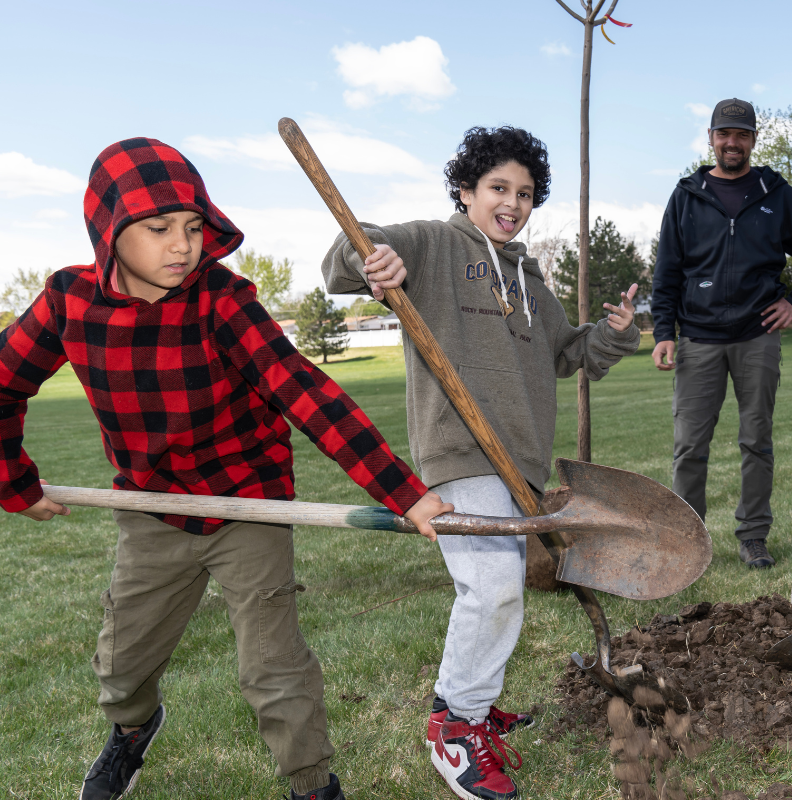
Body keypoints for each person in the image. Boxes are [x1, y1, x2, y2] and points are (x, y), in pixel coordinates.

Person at [0, 139, 450, 800]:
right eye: (159, 229)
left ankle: (311, 784)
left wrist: (403, 493)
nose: (182, 245)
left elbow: (302, 390)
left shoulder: (221, 298)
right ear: (109, 231)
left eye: (190, 227)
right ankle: (132, 729)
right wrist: (14, 484)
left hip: (249, 503)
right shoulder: (67, 302)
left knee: (273, 668)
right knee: (122, 666)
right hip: (152, 508)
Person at [322, 125, 641, 800]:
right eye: (498, 187)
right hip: (458, 450)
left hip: (518, 461)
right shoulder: (435, 246)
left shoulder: (527, 276)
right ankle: (455, 729)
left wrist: (615, 336)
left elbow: (569, 352)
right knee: (493, 586)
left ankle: (474, 703)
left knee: (503, 587)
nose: (513, 202)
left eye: (525, 193)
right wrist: (371, 259)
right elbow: (346, 258)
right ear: (466, 191)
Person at [651, 98, 792, 569]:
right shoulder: (686, 195)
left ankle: (753, 536)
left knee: (756, 440)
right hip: (698, 339)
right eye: (724, 133)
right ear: (710, 138)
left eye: (741, 134)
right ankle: (688, 538)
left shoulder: (776, 193)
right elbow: (667, 273)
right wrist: (665, 332)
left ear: (753, 140)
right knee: (689, 446)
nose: (732, 142)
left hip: (757, 336)